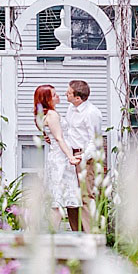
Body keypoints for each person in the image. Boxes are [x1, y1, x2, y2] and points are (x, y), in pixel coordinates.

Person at [33, 84, 81, 229]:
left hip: (55, 156)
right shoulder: (52, 115)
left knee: (62, 197)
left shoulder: (42, 115)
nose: (58, 96)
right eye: (54, 95)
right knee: (59, 198)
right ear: (47, 99)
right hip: (61, 158)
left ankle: (65, 232)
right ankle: (52, 235)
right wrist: (70, 157)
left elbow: (50, 136)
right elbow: (59, 138)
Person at [64, 80, 102, 233]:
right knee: (71, 197)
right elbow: (68, 130)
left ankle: (90, 237)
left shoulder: (92, 113)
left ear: (78, 98)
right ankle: (75, 235)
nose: (65, 94)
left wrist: (83, 158)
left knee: (86, 197)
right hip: (69, 155)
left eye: (68, 93)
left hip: (84, 157)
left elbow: (95, 140)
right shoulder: (71, 108)